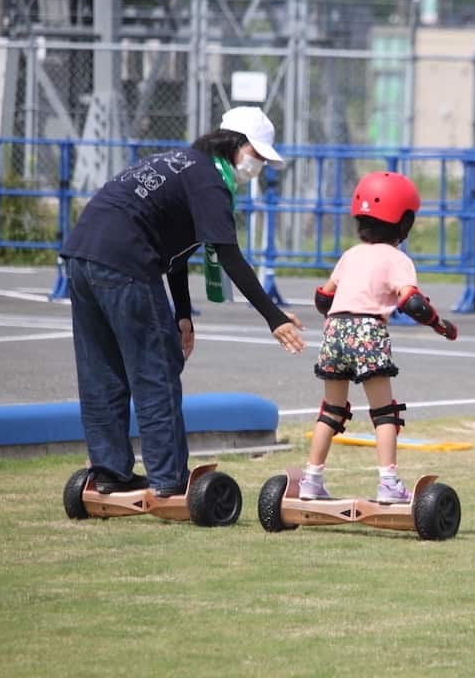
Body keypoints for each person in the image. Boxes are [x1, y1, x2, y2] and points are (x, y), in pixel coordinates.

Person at [60, 106, 306, 498]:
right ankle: (169, 478)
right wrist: (274, 317)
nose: (258, 166)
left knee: (101, 371)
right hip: (125, 262)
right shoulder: (210, 181)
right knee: (155, 370)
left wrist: (183, 315)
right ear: (237, 145)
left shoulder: (180, 162)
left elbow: (174, 251)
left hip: (80, 257)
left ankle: (109, 472)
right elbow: (229, 256)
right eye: (257, 156)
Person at [300, 171, 458, 503]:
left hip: (333, 330)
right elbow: (412, 302)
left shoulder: (350, 255)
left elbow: (323, 299)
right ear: (405, 222)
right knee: (385, 412)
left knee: (332, 410)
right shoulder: (397, 259)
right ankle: (388, 483)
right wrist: (440, 325)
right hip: (368, 332)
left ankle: (311, 480)